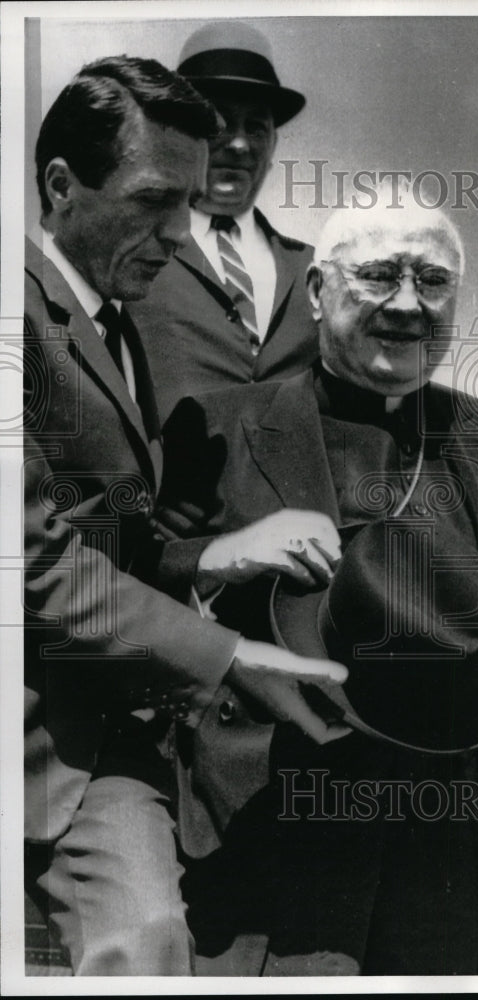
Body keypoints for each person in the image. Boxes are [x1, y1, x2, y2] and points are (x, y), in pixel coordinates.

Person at [156, 189, 478, 975]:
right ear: (320, 292)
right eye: (380, 276)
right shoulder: (219, 424)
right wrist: (228, 553)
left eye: (432, 282)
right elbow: (142, 564)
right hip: (289, 814)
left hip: (451, 825)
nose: (407, 305)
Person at [24, 55, 347, 976]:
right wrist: (232, 655)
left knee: (150, 942)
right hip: (39, 723)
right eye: (154, 201)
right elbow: (32, 563)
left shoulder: (115, 323)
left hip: (104, 727)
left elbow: (111, 538)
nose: (179, 232)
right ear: (61, 186)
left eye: (190, 203)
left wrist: (214, 562)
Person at [129, 21, 319, 425]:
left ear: (272, 146)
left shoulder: (314, 271)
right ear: (182, 134)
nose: (239, 143)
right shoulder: (132, 252)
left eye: (256, 127)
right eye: (220, 122)